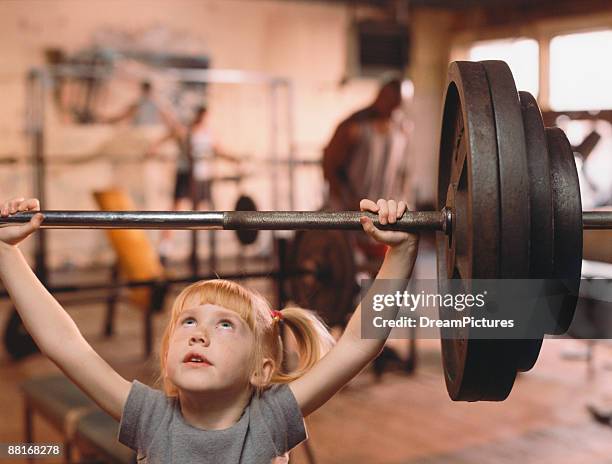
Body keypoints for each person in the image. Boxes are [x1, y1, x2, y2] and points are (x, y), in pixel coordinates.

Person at [0, 197, 418, 463]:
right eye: (187, 322)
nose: (199, 335)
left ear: (261, 370)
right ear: (167, 355)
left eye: (224, 325)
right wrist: (6, 252)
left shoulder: (269, 422)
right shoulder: (151, 419)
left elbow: (356, 347)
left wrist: (398, 254)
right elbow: (65, 346)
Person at [146, 104, 241, 260]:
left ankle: (197, 251)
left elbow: (219, 150)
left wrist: (234, 159)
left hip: (202, 177)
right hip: (185, 174)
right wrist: (153, 149)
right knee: (175, 209)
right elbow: (167, 136)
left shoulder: (208, 133)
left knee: (203, 211)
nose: (203, 119)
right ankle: (164, 250)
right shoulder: (185, 130)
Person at [323, 78, 409, 212]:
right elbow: (329, 164)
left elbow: (403, 173)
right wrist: (345, 201)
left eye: (398, 102)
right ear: (381, 95)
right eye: (390, 99)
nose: (393, 105)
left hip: (384, 211)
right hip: (350, 210)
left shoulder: (401, 131)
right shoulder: (353, 127)